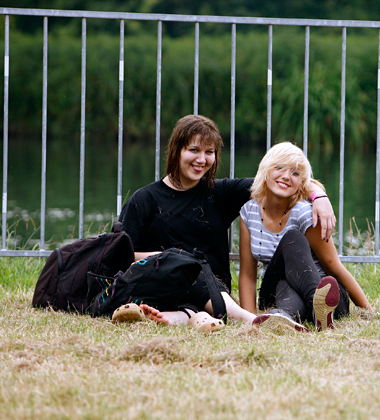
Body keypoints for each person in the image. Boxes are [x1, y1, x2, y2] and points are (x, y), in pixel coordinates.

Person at [118, 115, 336, 330]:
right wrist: (171, 259)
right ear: (177, 150)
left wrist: (320, 197)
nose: (201, 159)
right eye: (194, 150)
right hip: (164, 282)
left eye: (209, 152)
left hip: (215, 292)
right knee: (187, 263)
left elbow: (279, 181)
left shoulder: (220, 193)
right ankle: (248, 320)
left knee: (194, 275)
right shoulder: (143, 200)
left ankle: (182, 316)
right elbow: (121, 253)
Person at [238, 142, 374, 331]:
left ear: (302, 182)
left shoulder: (305, 212)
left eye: (295, 173)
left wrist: (367, 310)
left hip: (328, 294)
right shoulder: (249, 211)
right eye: (279, 168)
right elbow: (247, 274)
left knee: (293, 239)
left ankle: (295, 312)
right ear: (265, 170)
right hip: (276, 289)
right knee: (286, 274)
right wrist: (250, 317)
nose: (286, 176)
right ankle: (303, 310)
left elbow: (333, 264)